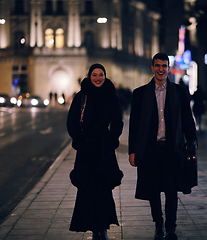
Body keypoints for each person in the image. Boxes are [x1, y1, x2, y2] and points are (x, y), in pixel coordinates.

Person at [128, 53, 198, 240]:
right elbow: (134, 125)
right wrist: (132, 151)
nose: (161, 69)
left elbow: (187, 120)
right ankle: (158, 225)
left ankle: (171, 228)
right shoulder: (140, 93)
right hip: (149, 150)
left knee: (171, 190)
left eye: (164, 66)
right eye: (157, 65)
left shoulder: (179, 92)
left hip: (172, 150)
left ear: (168, 68)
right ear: (152, 68)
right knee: (153, 191)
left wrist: (192, 141)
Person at [67, 63, 124, 240]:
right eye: (94, 75)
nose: (98, 78)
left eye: (101, 75)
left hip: (104, 150)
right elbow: (72, 121)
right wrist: (80, 139)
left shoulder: (111, 97)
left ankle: (103, 228)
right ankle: (93, 228)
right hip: (86, 150)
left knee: (103, 189)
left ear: (105, 76)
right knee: (87, 190)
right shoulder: (81, 96)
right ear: (89, 77)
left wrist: (111, 138)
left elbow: (118, 121)